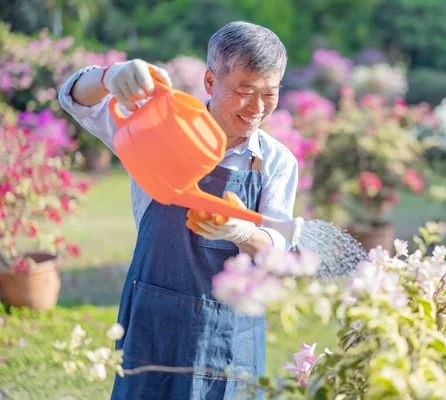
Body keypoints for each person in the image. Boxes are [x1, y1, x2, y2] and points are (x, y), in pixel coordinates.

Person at [58, 21, 298, 399]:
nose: (257, 107)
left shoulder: (275, 162)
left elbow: (277, 246)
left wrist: (241, 231)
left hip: (232, 330)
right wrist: (109, 76)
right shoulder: (159, 126)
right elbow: (73, 98)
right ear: (209, 81)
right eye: (244, 90)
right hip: (156, 315)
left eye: (270, 93)